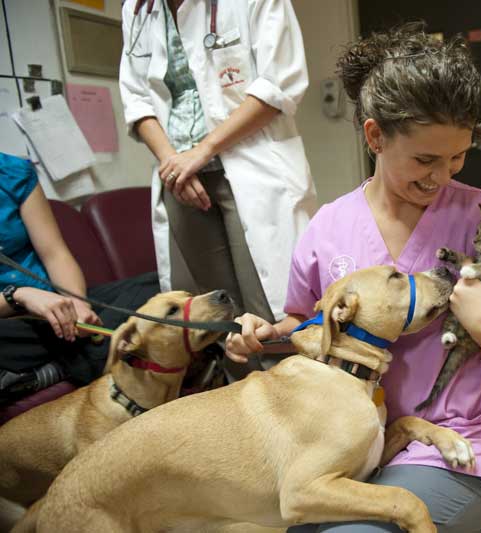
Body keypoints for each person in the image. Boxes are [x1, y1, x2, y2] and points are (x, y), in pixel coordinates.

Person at [226, 25, 481, 533]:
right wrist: (265, 337)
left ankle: (478, 515)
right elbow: (306, 324)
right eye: (424, 159)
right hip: (353, 431)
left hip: (458, 441)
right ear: (375, 135)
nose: (441, 177)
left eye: (458, 157)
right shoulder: (328, 226)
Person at [119, 0, 317, 374]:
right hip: (180, 178)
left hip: (251, 166)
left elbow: (279, 83)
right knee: (220, 318)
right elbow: (136, 97)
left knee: (271, 311)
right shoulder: (137, 9)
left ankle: (299, 417)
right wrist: (172, 164)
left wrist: (202, 150)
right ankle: (244, 419)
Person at [0, 153, 159, 402]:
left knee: (160, 287)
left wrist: (77, 303)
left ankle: (53, 368)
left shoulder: (13, 172)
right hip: (9, 316)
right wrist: (18, 296)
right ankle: (79, 361)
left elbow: (55, 253)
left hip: (56, 303)